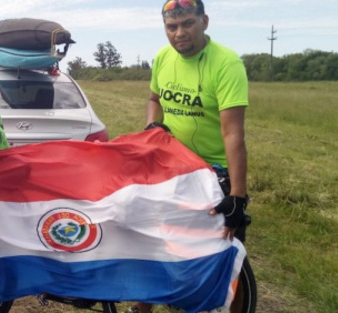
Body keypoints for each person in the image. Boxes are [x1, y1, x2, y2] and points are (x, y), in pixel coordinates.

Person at [126, 0, 249, 312]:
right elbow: (153, 99)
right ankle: (143, 307)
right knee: (158, 242)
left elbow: (233, 133)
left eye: (188, 24)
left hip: (213, 169)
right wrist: (154, 124)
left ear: (204, 22)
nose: (179, 33)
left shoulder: (226, 63)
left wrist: (237, 195)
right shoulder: (164, 58)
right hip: (173, 166)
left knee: (226, 255)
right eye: (172, 27)